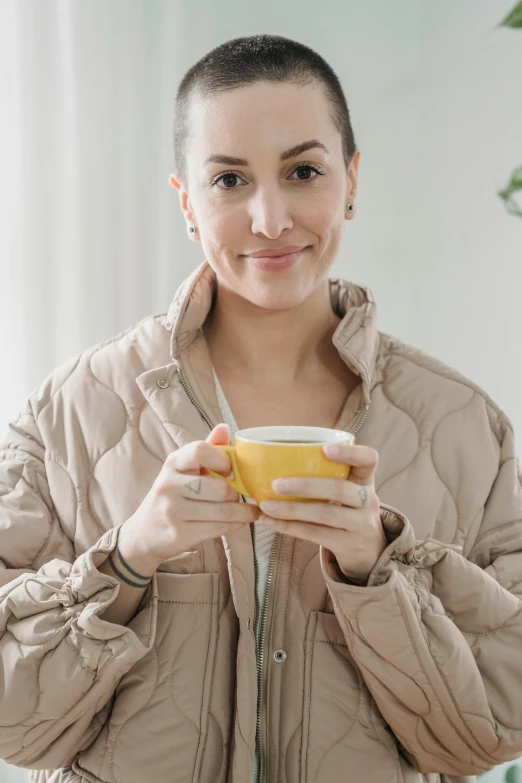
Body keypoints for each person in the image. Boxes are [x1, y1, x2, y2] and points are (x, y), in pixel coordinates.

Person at [1, 32, 522, 783]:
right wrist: (129, 557)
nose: (271, 218)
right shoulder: (70, 412)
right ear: (187, 199)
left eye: (303, 171)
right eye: (229, 181)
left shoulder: (462, 424)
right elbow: (15, 724)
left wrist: (379, 566)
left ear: (350, 178)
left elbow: (492, 729)